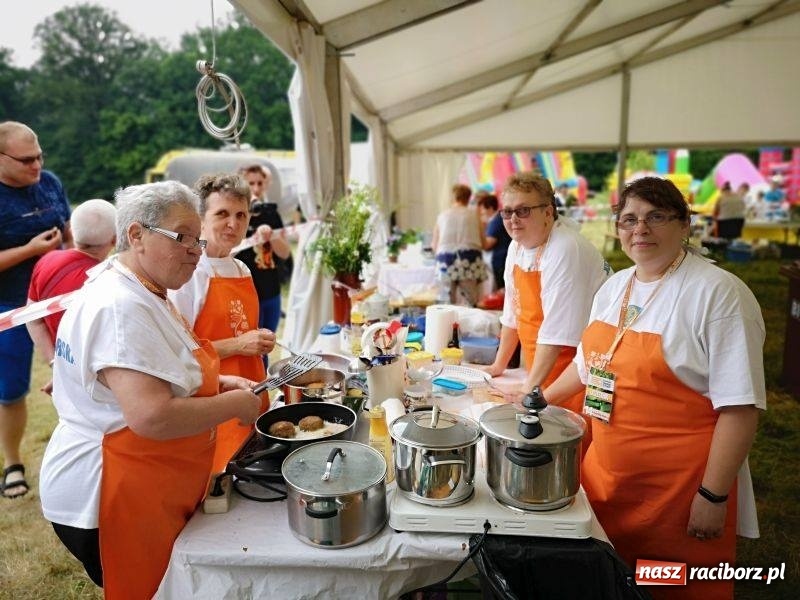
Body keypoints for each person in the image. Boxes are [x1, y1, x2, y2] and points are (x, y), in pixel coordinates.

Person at [544, 176, 765, 599]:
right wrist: (537, 399)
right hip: (606, 479)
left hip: (677, 494)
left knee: (668, 585)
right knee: (609, 579)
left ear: (684, 225)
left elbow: (740, 409)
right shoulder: (615, 286)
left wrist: (712, 495)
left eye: (655, 217)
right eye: (628, 219)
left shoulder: (719, 295)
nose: (640, 229)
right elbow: (588, 366)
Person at [39, 181, 262, 597]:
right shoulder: (120, 305)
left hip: (143, 482)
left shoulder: (142, 285)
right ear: (136, 235)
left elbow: (167, 366)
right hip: (108, 493)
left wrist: (217, 380)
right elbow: (152, 416)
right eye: (184, 238)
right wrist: (231, 403)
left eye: (198, 239)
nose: (197, 250)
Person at [482, 172, 609, 427]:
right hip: (544, 368)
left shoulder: (565, 248)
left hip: (584, 369)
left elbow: (556, 332)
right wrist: (499, 365)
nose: (513, 219)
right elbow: (512, 311)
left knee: (577, 437)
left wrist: (529, 390)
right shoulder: (515, 247)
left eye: (524, 210)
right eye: (507, 212)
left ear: (548, 213)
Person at [169, 174, 274, 473]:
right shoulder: (190, 273)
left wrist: (256, 339)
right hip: (213, 406)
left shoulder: (241, 267)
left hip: (251, 394)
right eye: (222, 214)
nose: (233, 223)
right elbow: (179, 352)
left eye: (241, 215)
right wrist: (241, 343)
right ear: (200, 219)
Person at [0, 121, 72, 499]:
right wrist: (31, 250)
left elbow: (69, 229)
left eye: (40, 156)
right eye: (27, 160)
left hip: (59, 302)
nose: (37, 165)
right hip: (9, 307)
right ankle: (12, 462)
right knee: (10, 390)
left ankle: (81, 454)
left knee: (77, 376)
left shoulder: (50, 182)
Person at [26, 199, 117, 395]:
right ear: (115, 240)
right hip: (102, 385)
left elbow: (32, 318)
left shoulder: (47, 260)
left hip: (68, 378)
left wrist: (56, 365)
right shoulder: (110, 280)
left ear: (73, 232)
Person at [237, 164, 292, 339]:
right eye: (251, 183)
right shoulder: (236, 215)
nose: (256, 188)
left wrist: (272, 236)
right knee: (254, 347)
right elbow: (224, 252)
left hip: (271, 290)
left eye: (260, 183)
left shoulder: (270, 213)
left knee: (268, 343)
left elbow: (284, 254)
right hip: (246, 292)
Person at [431, 183, 487, 306]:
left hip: (445, 259)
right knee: (470, 302)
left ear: (453, 197)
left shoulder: (443, 215)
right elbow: (484, 244)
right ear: (468, 198)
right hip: (470, 259)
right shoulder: (474, 215)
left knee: (445, 302)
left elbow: (434, 245)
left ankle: (446, 324)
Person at [478, 193, 511, 291]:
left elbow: (488, 244)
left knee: (502, 291)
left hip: (500, 262)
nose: (481, 212)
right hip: (501, 260)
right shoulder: (497, 220)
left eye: (483, 209)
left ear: (490, 208)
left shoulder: (496, 221)